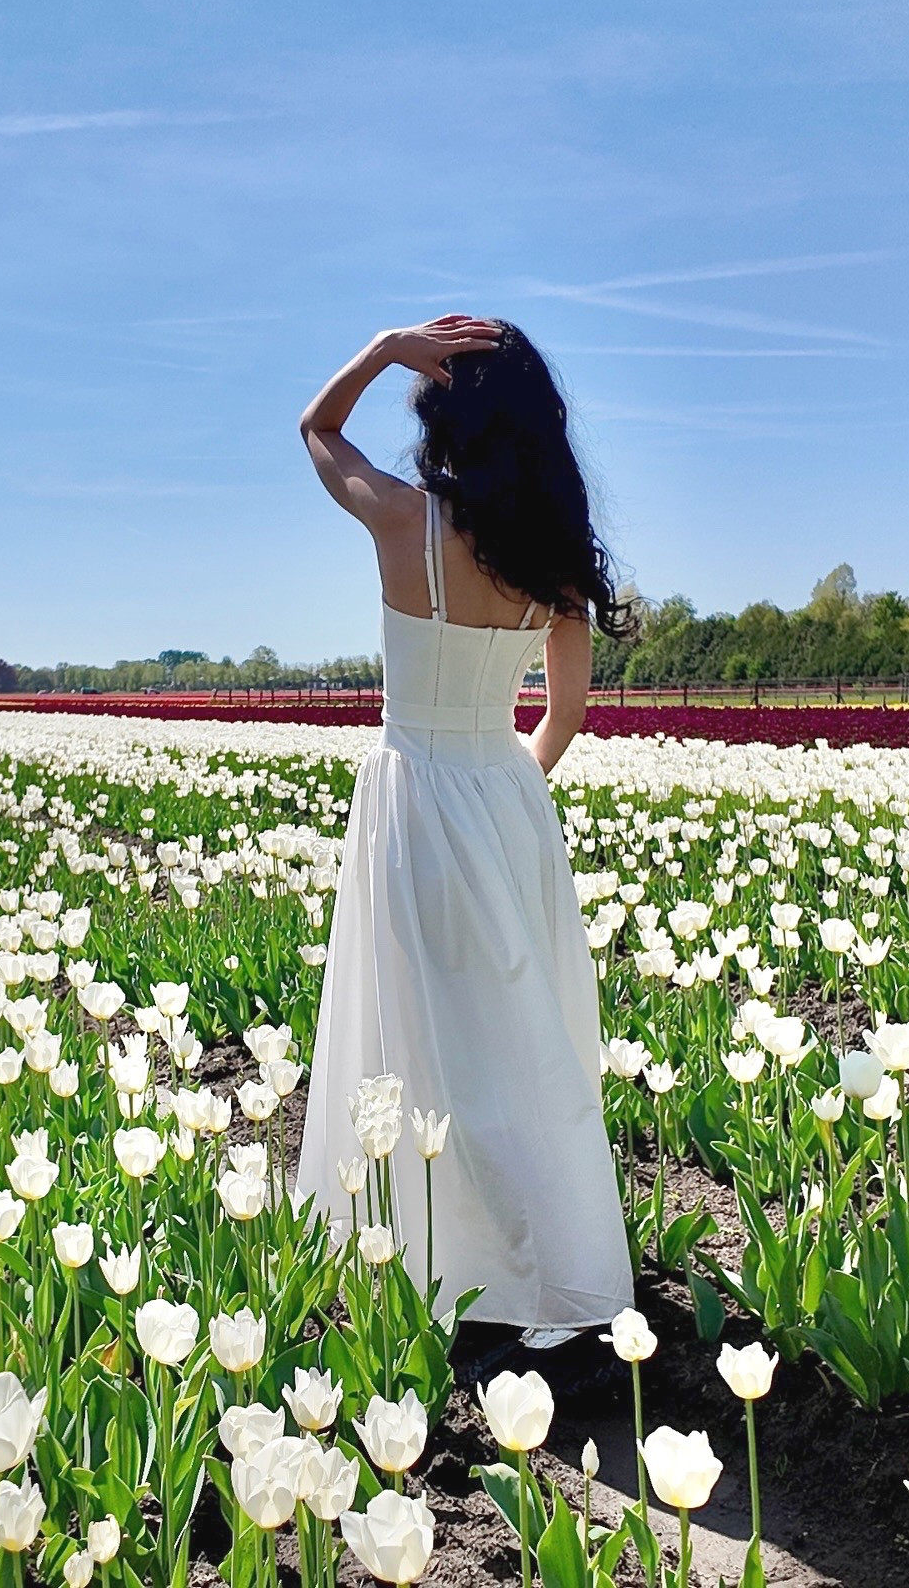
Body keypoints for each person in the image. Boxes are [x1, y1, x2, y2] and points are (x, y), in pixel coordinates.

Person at [293, 314, 635, 1348]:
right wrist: (507, 788)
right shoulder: (558, 561)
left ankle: (441, 1256)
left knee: (421, 1027)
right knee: (520, 1035)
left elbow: (316, 430)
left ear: (444, 414)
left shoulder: (405, 522)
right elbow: (565, 714)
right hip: (502, 796)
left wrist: (380, 348)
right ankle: (552, 1261)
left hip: (413, 794)